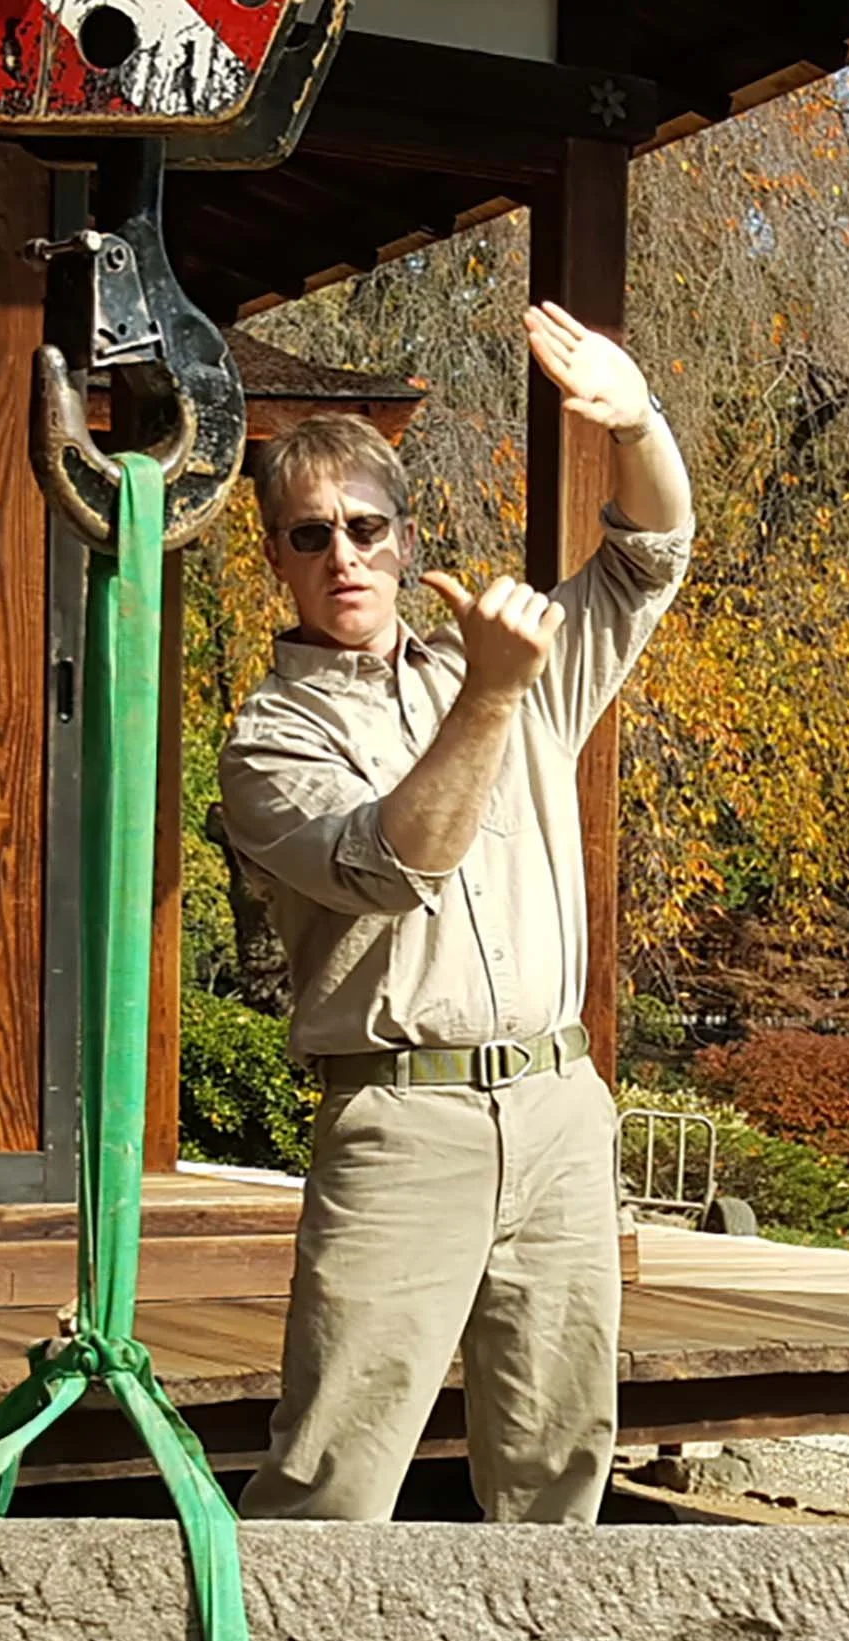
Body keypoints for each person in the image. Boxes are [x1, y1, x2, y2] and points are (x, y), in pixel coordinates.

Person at [219, 301, 692, 1524]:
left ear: (402, 533)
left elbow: (652, 551)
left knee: (559, 1460)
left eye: (366, 528)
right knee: (335, 1465)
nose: (345, 557)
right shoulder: (272, 736)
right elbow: (390, 865)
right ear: (275, 552)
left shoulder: (502, 659)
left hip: (557, 1105)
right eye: (311, 534)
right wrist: (489, 696)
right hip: (399, 1118)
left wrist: (636, 420)